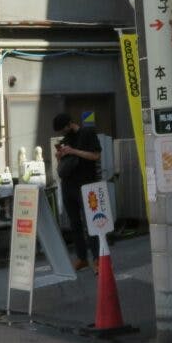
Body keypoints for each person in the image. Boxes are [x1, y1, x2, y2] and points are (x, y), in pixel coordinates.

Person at [52, 112, 102, 272]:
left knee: (91, 224)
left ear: (69, 124)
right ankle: (82, 258)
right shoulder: (66, 140)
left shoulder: (87, 133)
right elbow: (64, 163)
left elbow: (96, 155)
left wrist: (73, 151)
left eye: (62, 129)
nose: (62, 133)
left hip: (86, 184)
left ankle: (97, 259)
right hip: (68, 185)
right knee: (75, 224)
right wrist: (59, 156)